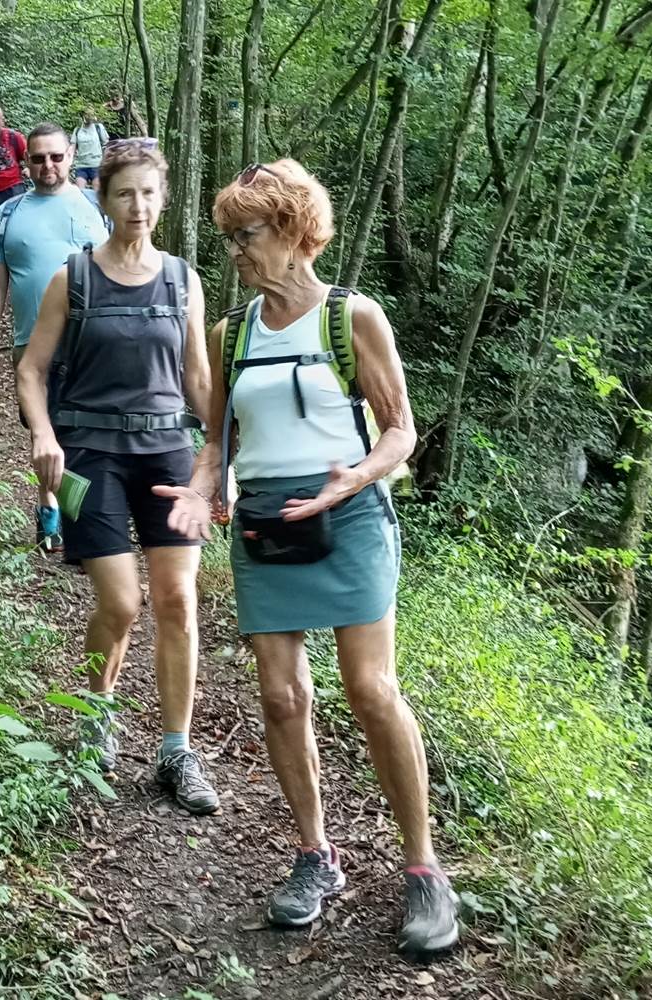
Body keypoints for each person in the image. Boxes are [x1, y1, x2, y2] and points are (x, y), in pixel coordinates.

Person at [184, 159, 458, 953]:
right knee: (279, 696)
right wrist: (200, 490)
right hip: (266, 520)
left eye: (246, 234)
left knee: (371, 690)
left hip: (350, 514)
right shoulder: (230, 333)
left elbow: (401, 431)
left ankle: (424, 869)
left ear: (294, 229)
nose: (235, 251)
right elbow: (217, 441)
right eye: (228, 237)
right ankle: (315, 857)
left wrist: (356, 478)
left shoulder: (352, 317)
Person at [16, 138, 221, 816]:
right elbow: (31, 370)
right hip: (89, 455)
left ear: (163, 200)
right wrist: (43, 435)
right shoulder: (73, 278)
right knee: (122, 603)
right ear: (102, 199)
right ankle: (95, 719)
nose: (138, 206)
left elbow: (197, 378)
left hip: (167, 452)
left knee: (178, 601)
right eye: (125, 193)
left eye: (148, 193)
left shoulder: (183, 280)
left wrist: (220, 454)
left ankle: (177, 750)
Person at [0, 122, 110, 550]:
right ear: (25, 162)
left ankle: (86, 518)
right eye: (38, 158)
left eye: (56, 156)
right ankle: (49, 506)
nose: (48, 165)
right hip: (31, 345)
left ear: (71, 155)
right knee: (44, 431)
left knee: (90, 431)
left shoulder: (100, 207)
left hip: (95, 343)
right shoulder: (8, 214)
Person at [70, 108, 108, 189]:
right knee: (80, 191)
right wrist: (69, 162)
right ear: (83, 116)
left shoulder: (98, 127)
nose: (89, 117)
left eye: (91, 114)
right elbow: (72, 148)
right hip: (81, 165)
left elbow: (106, 144)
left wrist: (105, 161)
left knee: (97, 191)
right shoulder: (77, 130)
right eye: (87, 114)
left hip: (96, 165)